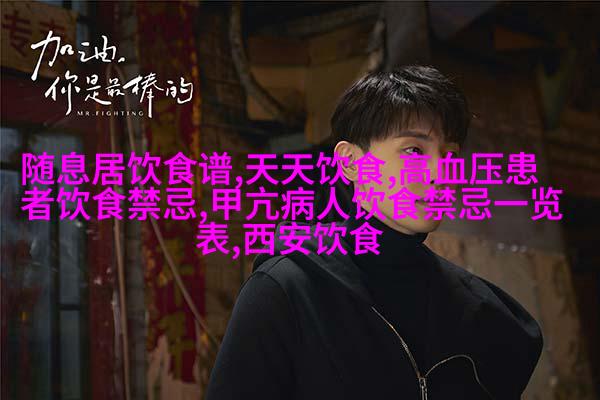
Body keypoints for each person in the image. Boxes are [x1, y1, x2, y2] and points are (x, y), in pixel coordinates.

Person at [205, 65, 543, 400]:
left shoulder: (481, 314)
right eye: (414, 150)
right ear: (351, 162)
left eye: (449, 155)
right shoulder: (287, 289)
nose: (439, 173)